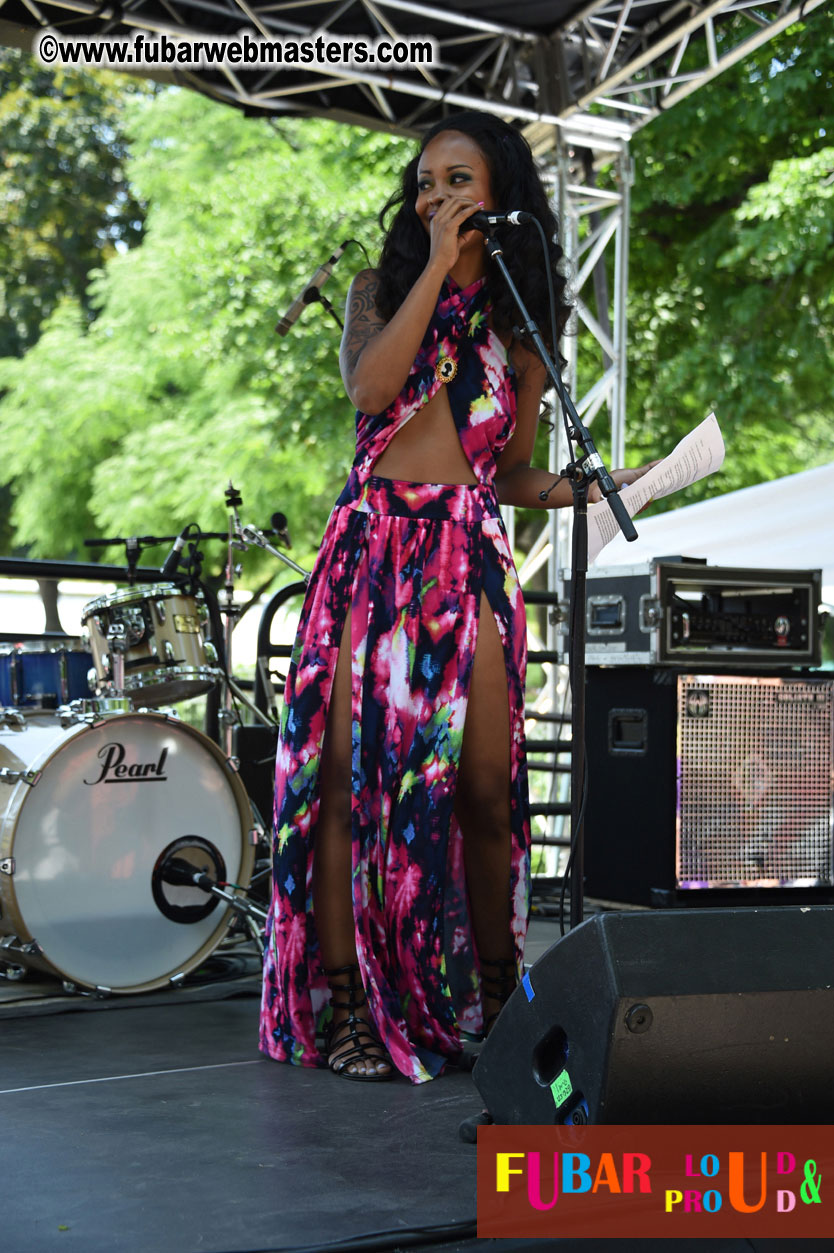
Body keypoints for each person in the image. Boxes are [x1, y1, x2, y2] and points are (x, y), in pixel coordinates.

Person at [260, 110, 652, 1084]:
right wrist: (436, 265)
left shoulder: (520, 325)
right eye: (425, 182)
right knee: (350, 786)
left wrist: (605, 484)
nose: (435, 196)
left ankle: (502, 1000)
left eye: (458, 181)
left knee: (484, 788)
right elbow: (371, 389)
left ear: (500, 192)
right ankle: (348, 1007)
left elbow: (510, 473)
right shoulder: (376, 291)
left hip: (468, 554)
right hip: (373, 545)